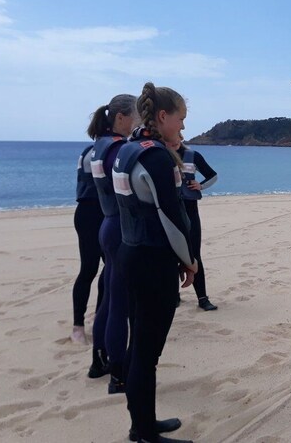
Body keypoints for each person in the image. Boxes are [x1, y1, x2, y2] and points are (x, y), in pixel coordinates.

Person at [113, 82, 197, 443]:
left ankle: (141, 422)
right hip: (152, 261)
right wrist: (189, 260)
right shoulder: (156, 157)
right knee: (147, 353)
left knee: (140, 347)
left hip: (130, 252)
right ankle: (144, 432)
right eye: (180, 120)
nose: (182, 127)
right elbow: (171, 216)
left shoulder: (128, 150)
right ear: (163, 117)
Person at [86, 94, 139, 392]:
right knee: (119, 302)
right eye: (135, 118)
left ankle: (99, 361)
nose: (137, 125)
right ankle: (118, 373)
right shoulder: (118, 149)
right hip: (121, 228)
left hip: (107, 224)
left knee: (108, 298)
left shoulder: (99, 145)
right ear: (120, 117)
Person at [167, 133, 218, 311]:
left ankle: (203, 298)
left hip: (190, 211)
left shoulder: (192, 155)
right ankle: (175, 296)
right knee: (171, 256)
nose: (175, 139)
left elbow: (213, 175)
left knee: (194, 254)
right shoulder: (161, 155)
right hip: (170, 212)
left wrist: (200, 185)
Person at [71, 141, 105, 346]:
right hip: (89, 214)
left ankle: (99, 315)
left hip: (104, 215)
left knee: (111, 268)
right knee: (89, 269)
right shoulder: (97, 151)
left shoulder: (105, 148)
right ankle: (77, 326)